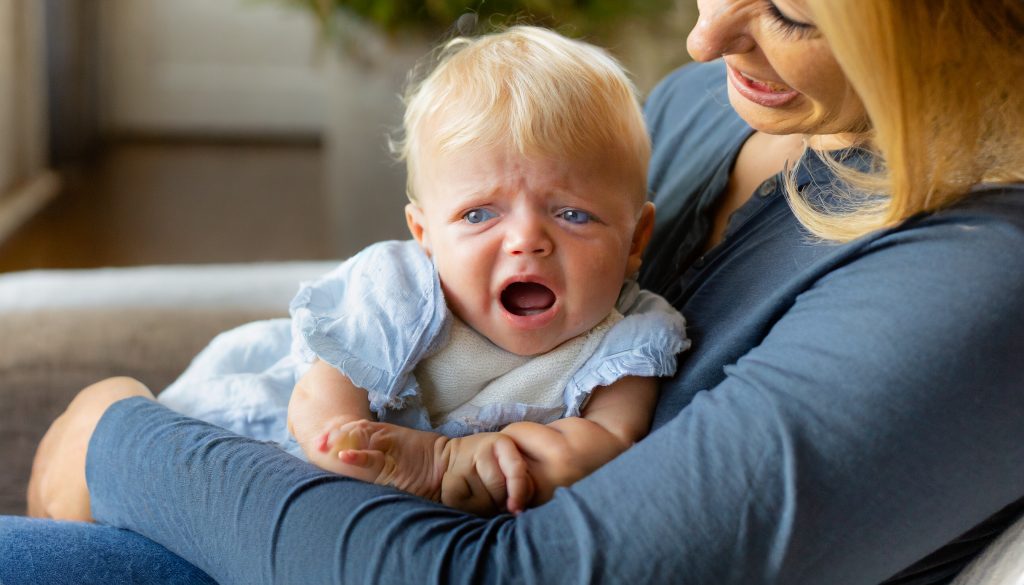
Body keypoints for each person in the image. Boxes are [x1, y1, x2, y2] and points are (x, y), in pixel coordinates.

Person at [10, 0, 1024, 584]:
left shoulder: (975, 288)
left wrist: (117, 440)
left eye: (794, 9)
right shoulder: (725, 114)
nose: (705, 36)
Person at [153, 25, 687, 516]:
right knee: (145, 476)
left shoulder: (629, 339)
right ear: (424, 234)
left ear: (636, 238)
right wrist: (434, 461)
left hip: (374, 530)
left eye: (572, 214)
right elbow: (320, 416)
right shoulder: (399, 291)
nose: (526, 241)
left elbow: (608, 447)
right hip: (259, 430)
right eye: (479, 214)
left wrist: (505, 464)